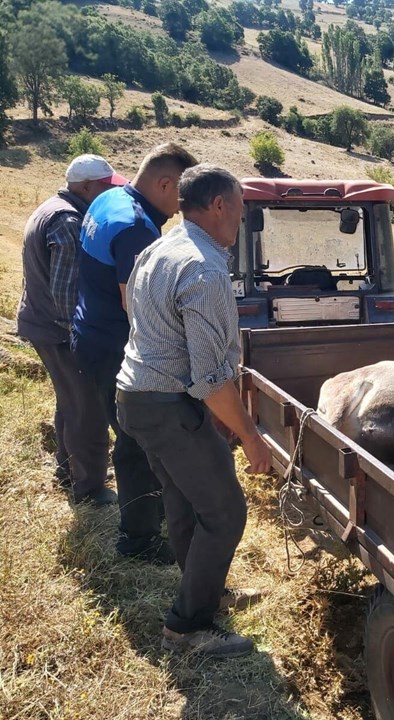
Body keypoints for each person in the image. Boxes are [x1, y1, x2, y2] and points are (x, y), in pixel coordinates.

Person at [117, 164, 272, 658]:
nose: (241, 220)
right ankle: (188, 628)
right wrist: (247, 434)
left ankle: (202, 591)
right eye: (240, 209)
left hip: (138, 398)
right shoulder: (204, 269)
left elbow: (137, 317)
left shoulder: (158, 248)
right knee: (226, 512)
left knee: (184, 501)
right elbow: (209, 378)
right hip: (170, 407)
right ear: (219, 206)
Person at [72, 142, 198, 562]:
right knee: (136, 442)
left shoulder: (112, 197)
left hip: (90, 333)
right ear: (164, 183)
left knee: (128, 436)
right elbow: (138, 304)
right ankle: (139, 540)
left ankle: (147, 513)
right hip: (112, 346)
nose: (181, 210)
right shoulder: (136, 228)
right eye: (181, 198)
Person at [16, 155, 126, 505]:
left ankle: (67, 469)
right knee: (88, 409)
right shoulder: (68, 220)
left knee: (70, 401)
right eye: (105, 188)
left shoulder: (52, 206)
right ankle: (89, 489)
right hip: (59, 330)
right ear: (86, 187)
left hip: (41, 324)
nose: (109, 195)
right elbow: (66, 292)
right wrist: (80, 337)